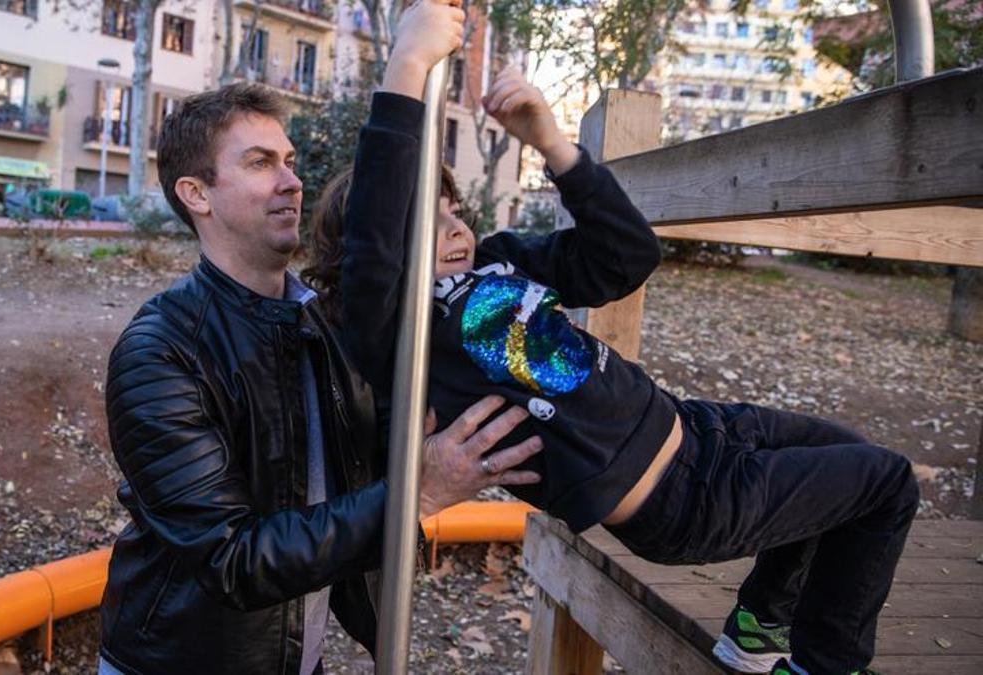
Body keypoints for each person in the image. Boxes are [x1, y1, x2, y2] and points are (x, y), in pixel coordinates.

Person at [308, 4, 919, 672]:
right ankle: (826, 663)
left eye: (455, 209)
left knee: (850, 450)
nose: (454, 227)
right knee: (887, 483)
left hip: (698, 428)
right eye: (429, 215)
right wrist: (407, 64)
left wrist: (553, 143)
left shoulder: (496, 260)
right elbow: (376, 227)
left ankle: (759, 627)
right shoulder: (395, 328)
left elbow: (627, 257)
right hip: (676, 500)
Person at [96, 4, 541, 673]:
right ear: (197, 193)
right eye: (260, 162)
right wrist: (415, 494)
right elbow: (232, 558)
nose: (292, 179)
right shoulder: (159, 353)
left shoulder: (317, 327)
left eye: (292, 159)